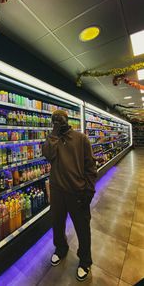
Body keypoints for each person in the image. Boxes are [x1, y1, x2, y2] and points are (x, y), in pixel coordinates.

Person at [42, 109, 97, 282]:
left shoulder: (81, 139)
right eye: (55, 121)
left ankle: (85, 260)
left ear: (68, 121)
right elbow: (47, 154)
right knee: (57, 224)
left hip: (77, 192)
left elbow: (90, 166)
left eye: (60, 120)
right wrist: (53, 134)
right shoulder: (54, 140)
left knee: (82, 227)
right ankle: (61, 249)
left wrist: (88, 190)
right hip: (57, 191)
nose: (58, 123)